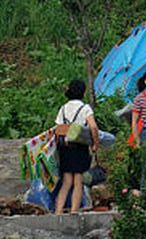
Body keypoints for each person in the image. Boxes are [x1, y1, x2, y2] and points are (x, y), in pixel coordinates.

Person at [52, 78, 100, 214]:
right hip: (80, 148)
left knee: (66, 182)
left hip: (66, 148)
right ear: (83, 92)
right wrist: (95, 144)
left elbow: (59, 130)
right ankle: (74, 211)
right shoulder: (85, 108)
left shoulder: (63, 109)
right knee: (78, 181)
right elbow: (94, 127)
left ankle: (58, 211)